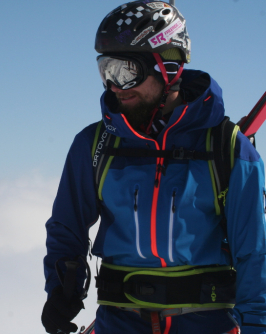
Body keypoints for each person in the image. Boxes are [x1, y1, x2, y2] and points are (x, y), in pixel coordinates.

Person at [41, 1, 266, 334]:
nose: (113, 85)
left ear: (169, 68)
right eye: (106, 70)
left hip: (207, 324)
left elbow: (254, 252)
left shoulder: (229, 150)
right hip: (118, 322)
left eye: (125, 71)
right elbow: (67, 226)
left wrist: (257, 325)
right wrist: (62, 288)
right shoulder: (95, 145)